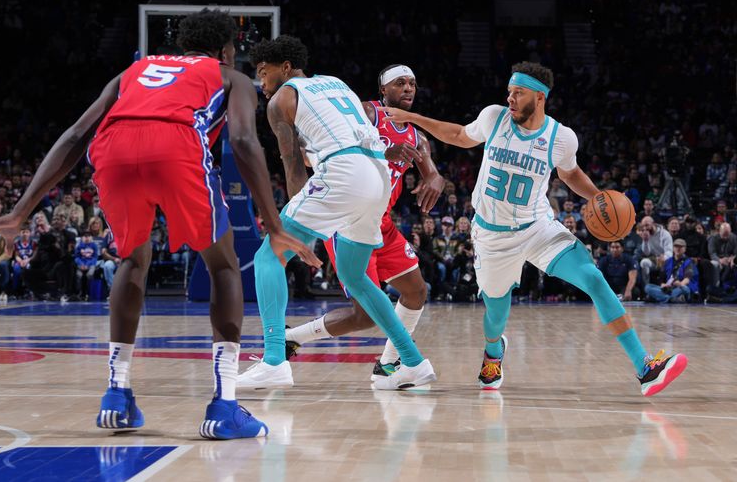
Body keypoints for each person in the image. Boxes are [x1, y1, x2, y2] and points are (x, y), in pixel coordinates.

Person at [0, 10, 319, 440]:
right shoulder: (231, 76)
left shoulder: (136, 69)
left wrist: (21, 211)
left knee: (133, 259)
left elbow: (76, 134)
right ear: (227, 50)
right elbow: (242, 139)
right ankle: (224, 406)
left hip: (112, 149)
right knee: (223, 265)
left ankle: (117, 393)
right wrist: (274, 222)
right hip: (176, 146)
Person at [384, 61, 686, 396]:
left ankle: (645, 368)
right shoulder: (494, 117)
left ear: (539, 98)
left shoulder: (561, 137)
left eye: (518, 92)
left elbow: (570, 174)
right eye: (509, 91)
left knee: (593, 278)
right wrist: (412, 117)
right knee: (495, 318)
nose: (510, 98)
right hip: (492, 237)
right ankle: (493, 353)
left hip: (537, 226)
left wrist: (599, 197)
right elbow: (457, 135)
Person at [239, 36, 436, 391]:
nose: (261, 82)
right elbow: (370, 137)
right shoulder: (337, 84)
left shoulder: (282, 99)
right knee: (354, 275)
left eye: (263, 73)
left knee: (269, 253)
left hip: (343, 173)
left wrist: (301, 231)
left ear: (285, 68)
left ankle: (273, 361)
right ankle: (412, 363)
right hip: (378, 177)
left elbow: (293, 165)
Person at [283, 64, 444, 382]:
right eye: (400, 83)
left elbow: (432, 173)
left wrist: (436, 180)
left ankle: (388, 364)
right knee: (365, 314)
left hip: (381, 222)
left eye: (412, 83)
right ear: (383, 90)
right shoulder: (365, 113)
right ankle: (292, 338)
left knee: (416, 292)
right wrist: (381, 151)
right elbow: (307, 154)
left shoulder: (417, 136)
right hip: (347, 218)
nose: (409, 88)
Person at [644, 239, 699, 303]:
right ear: (673, 248)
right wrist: (663, 284)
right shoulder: (668, 261)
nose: (678, 249)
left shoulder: (688, 262)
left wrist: (680, 284)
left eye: (681, 247)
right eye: (676, 246)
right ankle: (670, 299)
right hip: (669, 288)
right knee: (647, 287)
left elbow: (687, 279)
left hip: (681, 287)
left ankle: (660, 297)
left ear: (685, 249)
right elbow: (661, 278)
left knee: (684, 289)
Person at [637, 216, 673, 286]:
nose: (645, 228)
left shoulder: (665, 234)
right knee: (643, 262)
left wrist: (664, 257)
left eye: (647, 225)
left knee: (669, 261)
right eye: (643, 226)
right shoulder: (646, 234)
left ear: (653, 223)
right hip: (654, 260)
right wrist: (645, 241)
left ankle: (668, 285)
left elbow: (669, 252)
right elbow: (646, 253)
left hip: (665, 260)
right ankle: (646, 286)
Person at [708, 222, 737, 288]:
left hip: (730, 258)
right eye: (724, 235)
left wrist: (732, 258)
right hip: (718, 259)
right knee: (715, 264)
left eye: (728, 235)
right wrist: (719, 260)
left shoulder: (734, 238)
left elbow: (736, 252)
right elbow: (712, 253)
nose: (726, 237)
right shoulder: (713, 238)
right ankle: (717, 287)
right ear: (719, 231)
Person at [74, 230, 100, 300]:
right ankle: (79, 293)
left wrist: (88, 265)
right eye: (85, 236)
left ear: (91, 237)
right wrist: (81, 264)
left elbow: (95, 258)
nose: (87, 238)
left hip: (91, 264)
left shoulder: (94, 246)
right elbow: (76, 257)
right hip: (81, 264)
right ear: (82, 238)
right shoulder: (79, 246)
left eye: (88, 236)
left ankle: (89, 293)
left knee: (90, 275)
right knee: (79, 275)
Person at [11, 223, 35, 297]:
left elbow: (34, 255)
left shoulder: (33, 244)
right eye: (23, 232)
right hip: (19, 261)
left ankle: (30, 290)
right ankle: (16, 291)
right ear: (20, 233)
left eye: (27, 232)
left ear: (30, 233)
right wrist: (20, 261)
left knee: (30, 269)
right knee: (16, 269)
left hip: (30, 261)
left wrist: (28, 260)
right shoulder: (17, 244)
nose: (25, 234)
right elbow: (16, 255)